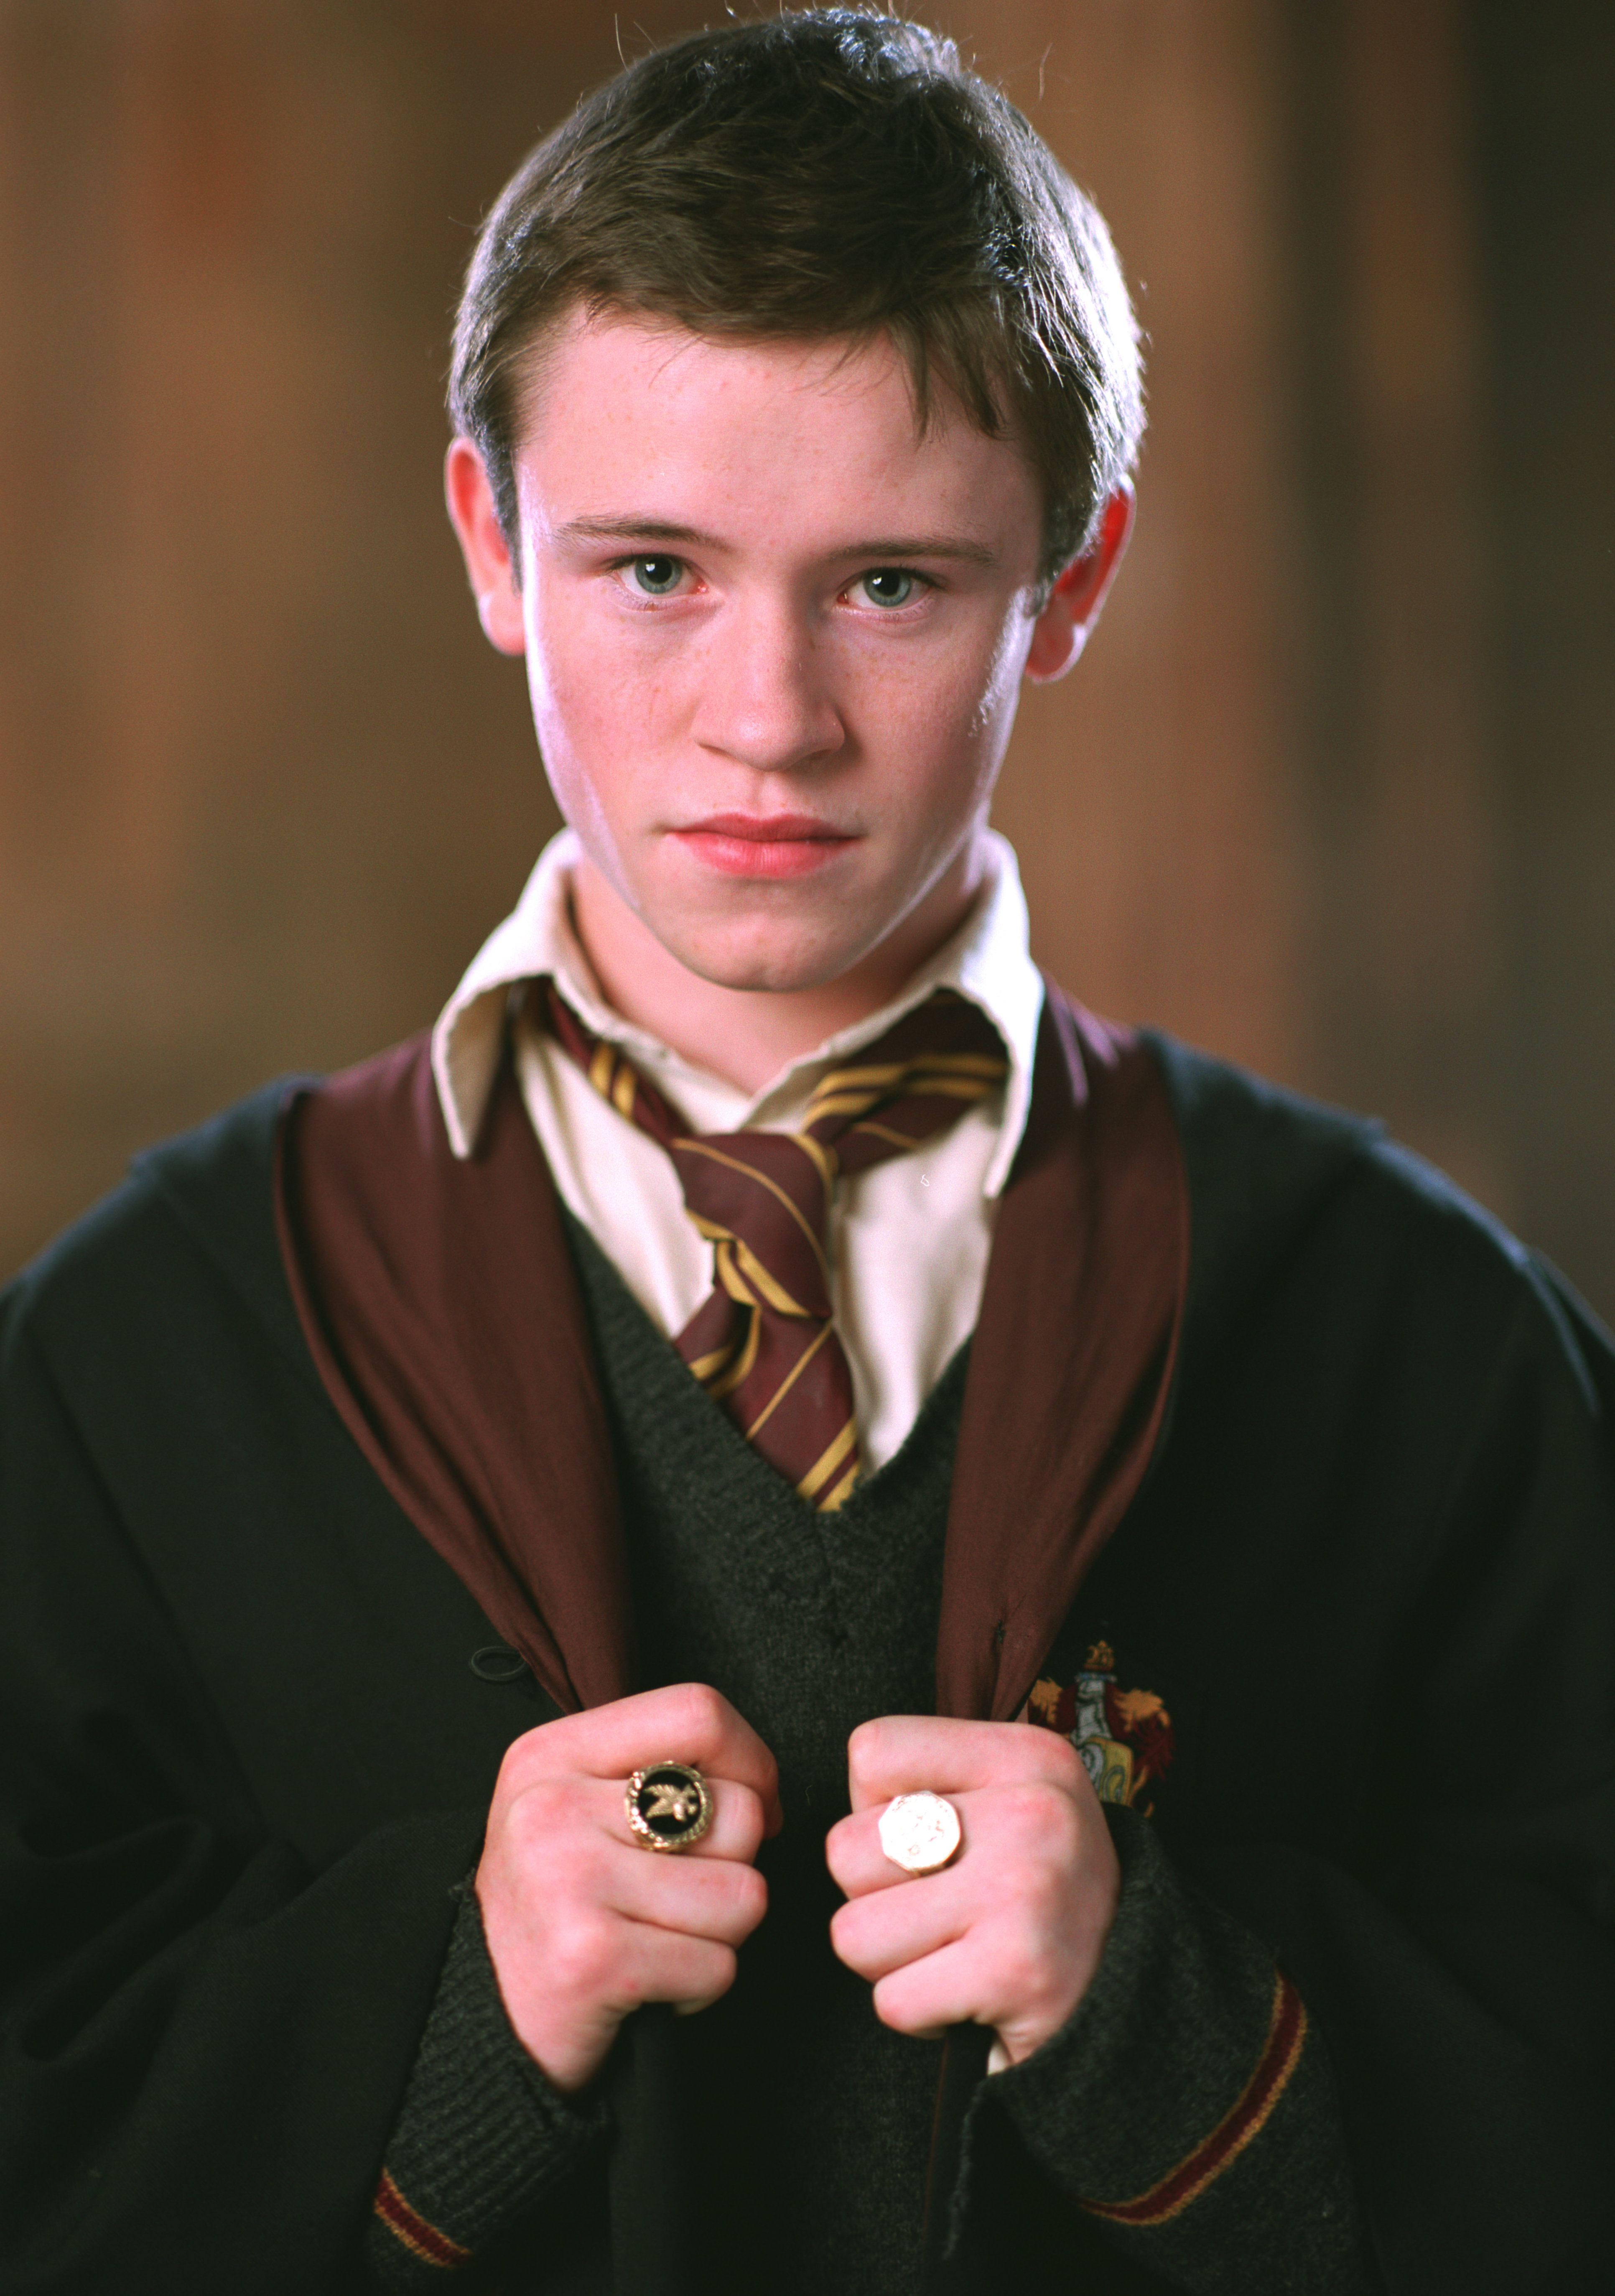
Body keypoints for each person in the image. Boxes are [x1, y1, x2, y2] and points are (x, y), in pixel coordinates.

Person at [1, 13, 1610, 2295]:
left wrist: (1173, 2025)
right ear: (490, 540)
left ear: (1070, 580)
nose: (765, 720)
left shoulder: (1414, 1332)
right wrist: (451, 2020)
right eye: (653, 568)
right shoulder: (130, 1359)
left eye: (890, 584)